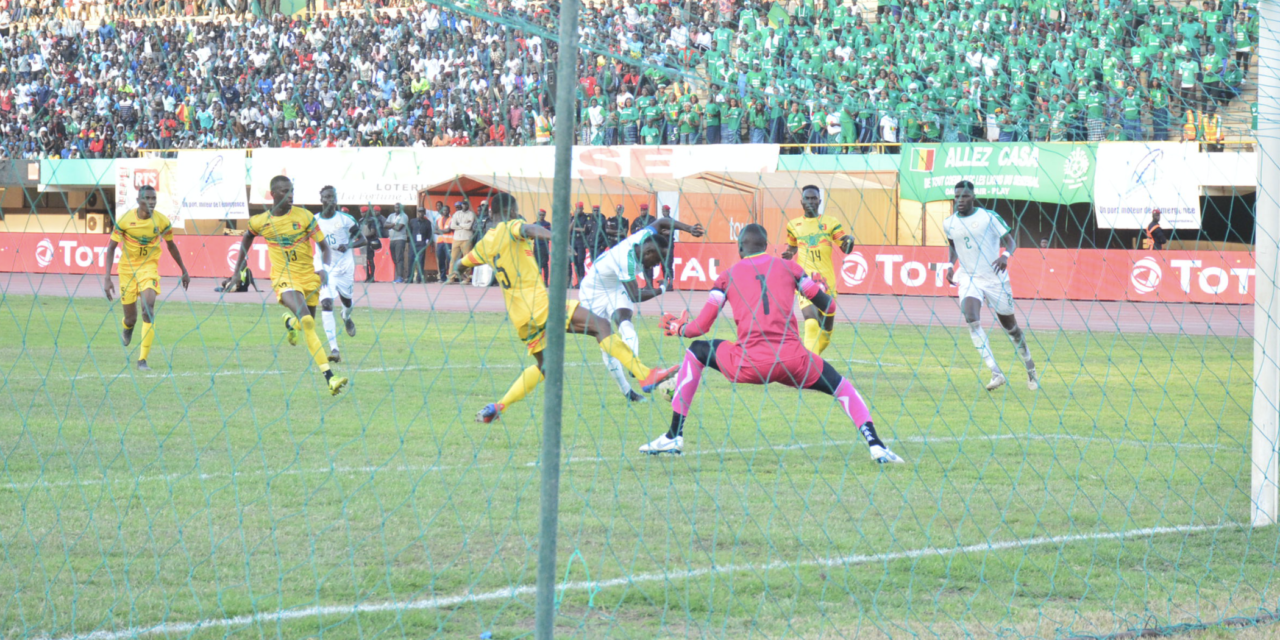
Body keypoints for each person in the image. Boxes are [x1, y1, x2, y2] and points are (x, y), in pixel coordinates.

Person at [639, 223, 903, 465]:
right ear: (766, 246)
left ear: (740, 248)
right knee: (842, 387)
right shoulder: (791, 268)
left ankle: (674, 435)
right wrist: (824, 313)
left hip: (747, 363)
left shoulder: (726, 277)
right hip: (794, 362)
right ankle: (876, 445)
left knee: (697, 352)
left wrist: (680, 328)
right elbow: (829, 306)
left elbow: (701, 328)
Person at [459, 193, 680, 423]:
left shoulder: (485, 243)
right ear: (512, 212)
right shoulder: (512, 226)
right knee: (601, 325)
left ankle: (498, 406)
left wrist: (458, 269)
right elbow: (529, 229)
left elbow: (462, 263)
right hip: (541, 307)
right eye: (515, 211)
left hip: (521, 320)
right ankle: (645, 375)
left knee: (545, 367)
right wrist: (555, 237)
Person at [229, 175, 347, 395]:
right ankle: (330, 378)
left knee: (304, 321)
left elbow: (325, 247)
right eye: (284, 191)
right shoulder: (260, 221)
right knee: (309, 321)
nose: (290, 195)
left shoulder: (305, 216)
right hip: (284, 278)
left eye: (291, 190)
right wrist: (237, 272)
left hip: (308, 277)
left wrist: (326, 270)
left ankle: (291, 324)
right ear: (273, 194)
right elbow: (247, 238)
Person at [580, 215, 706, 402]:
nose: (656, 265)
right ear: (648, 251)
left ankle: (634, 368)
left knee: (624, 321)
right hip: (592, 294)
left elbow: (663, 220)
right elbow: (635, 296)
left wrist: (688, 229)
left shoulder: (643, 237)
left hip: (614, 288)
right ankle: (628, 391)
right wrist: (662, 288)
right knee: (606, 347)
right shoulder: (626, 259)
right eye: (656, 260)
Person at [942, 181, 1038, 392]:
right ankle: (996, 372)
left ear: (973, 197)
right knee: (971, 318)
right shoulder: (949, 223)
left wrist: (1005, 256)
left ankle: (1030, 366)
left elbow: (1011, 241)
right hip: (969, 278)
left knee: (1010, 328)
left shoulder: (989, 217)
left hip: (995, 278)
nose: (960, 200)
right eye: (957, 196)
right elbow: (953, 245)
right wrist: (950, 265)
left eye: (965, 196)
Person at [102, 185, 191, 372]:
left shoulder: (162, 222)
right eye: (147, 198)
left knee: (148, 309)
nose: (151, 202)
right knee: (131, 317)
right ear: (138, 201)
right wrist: (107, 277)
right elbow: (111, 248)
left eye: (154, 198)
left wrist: (183, 269)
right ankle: (127, 326)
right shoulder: (125, 220)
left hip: (149, 269)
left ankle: (142, 360)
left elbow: (171, 245)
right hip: (127, 271)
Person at [781, 185, 854, 356]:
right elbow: (792, 247)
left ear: (819, 201)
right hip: (804, 280)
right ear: (801, 201)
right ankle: (807, 367)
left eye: (814, 198)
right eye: (807, 198)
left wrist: (849, 241)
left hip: (827, 282)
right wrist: (789, 254)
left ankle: (811, 359)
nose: (811, 202)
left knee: (826, 329)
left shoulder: (831, 223)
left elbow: (845, 247)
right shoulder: (793, 225)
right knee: (811, 322)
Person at [313, 186, 363, 362]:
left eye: (333, 197)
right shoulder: (314, 220)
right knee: (326, 302)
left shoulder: (346, 219)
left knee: (347, 302)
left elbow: (362, 239)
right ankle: (334, 350)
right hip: (325, 265)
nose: (331, 200)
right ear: (322, 200)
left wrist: (348, 245)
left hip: (345, 266)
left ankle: (346, 316)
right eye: (327, 197)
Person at [447, 201, 477, 283]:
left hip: (466, 238)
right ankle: (451, 278)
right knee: (453, 259)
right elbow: (452, 226)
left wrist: (459, 225)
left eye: (466, 205)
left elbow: (469, 226)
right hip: (456, 238)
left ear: (468, 206)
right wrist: (463, 225)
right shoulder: (456, 214)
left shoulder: (471, 214)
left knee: (467, 259)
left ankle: (466, 279)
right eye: (463, 205)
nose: (464, 207)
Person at [386, 203, 410, 283]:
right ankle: (397, 276)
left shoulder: (404, 216)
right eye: (395, 207)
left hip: (400, 239)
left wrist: (391, 225)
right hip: (392, 239)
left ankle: (400, 277)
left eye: (398, 208)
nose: (397, 209)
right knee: (394, 258)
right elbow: (385, 225)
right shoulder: (391, 215)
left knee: (399, 258)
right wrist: (393, 225)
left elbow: (399, 228)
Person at [409, 208, 434, 283]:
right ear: (417, 213)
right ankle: (410, 278)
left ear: (424, 213)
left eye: (422, 212)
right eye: (419, 212)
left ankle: (419, 278)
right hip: (413, 243)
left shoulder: (427, 222)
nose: (421, 213)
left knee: (420, 261)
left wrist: (428, 241)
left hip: (422, 244)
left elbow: (429, 233)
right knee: (411, 260)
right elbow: (409, 231)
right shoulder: (412, 221)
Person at [360, 206, 383, 282]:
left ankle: (372, 276)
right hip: (362, 243)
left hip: (369, 242)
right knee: (364, 261)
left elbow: (373, 231)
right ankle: (367, 276)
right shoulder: (360, 221)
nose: (362, 214)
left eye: (363, 212)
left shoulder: (372, 220)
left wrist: (364, 235)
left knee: (370, 260)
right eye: (361, 212)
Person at [571, 202, 590, 288]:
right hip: (573, 240)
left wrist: (575, 228)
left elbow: (585, 229)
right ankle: (578, 281)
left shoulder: (585, 218)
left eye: (580, 208)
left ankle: (582, 281)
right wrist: (574, 219)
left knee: (580, 261)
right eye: (577, 208)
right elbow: (569, 228)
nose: (579, 210)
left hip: (581, 241)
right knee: (575, 262)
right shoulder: (573, 217)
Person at [434, 203, 453, 282]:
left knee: (449, 260)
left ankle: (450, 276)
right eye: (444, 210)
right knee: (441, 260)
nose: (445, 211)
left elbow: (449, 230)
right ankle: (442, 277)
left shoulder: (452, 219)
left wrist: (440, 231)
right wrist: (443, 231)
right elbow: (435, 230)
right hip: (440, 243)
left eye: (446, 210)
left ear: (449, 211)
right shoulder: (439, 219)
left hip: (449, 242)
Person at [533, 209, 552, 285]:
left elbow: (549, 234)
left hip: (544, 246)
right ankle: (538, 281)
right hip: (536, 246)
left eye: (543, 215)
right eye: (540, 214)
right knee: (537, 264)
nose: (541, 216)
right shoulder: (534, 224)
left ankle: (545, 281)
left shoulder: (547, 224)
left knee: (545, 264)